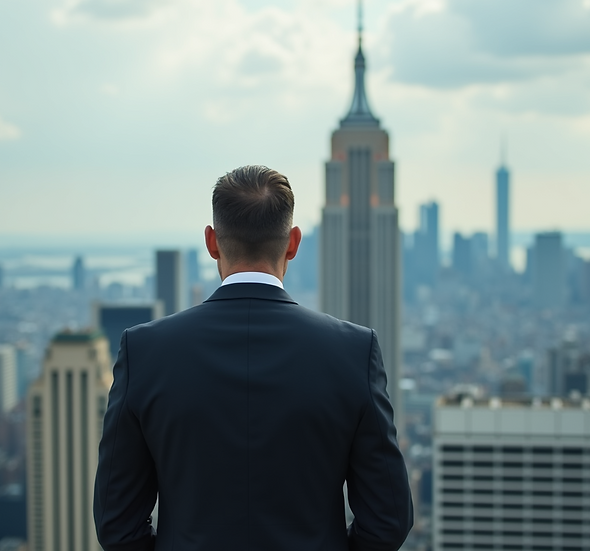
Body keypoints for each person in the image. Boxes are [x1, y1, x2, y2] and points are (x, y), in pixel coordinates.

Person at [94, 165, 412, 551]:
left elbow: (117, 525)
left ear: (212, 242)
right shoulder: (354, 351)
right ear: (293, 243)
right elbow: (389, 521)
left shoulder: (145, 351)